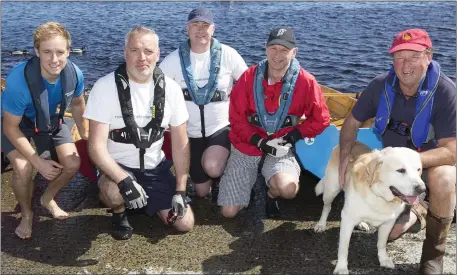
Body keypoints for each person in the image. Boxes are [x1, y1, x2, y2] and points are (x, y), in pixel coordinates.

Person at [339, 29, 456, 274]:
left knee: (445, 178)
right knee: (390, 232)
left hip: (429, 163)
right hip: (395, 169)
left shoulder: (445, 92)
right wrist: (343, 158)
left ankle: (433, 255)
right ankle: (419, 206)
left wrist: (409, 161)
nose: (405, 66)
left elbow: (452, 151)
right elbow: (351, 122)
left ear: (429, 56)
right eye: (399, 58)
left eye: (413, 57)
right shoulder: (380, 86)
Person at [84, 26, 194, 240]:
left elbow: (181, 144)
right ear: (125, 53)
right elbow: (96, 147)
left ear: (158, 54)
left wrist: (180, 190)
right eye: (134, 51)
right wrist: (124, 180)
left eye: (148, 51)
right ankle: (119, 211)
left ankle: (147, 201)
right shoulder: (104, 87)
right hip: (118, 168)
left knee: (184, 223)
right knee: (113, 192)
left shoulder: (171, 89)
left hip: (155, 169)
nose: (142, 58)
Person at [218, 27, 330, 218]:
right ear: (265, 48)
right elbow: (236, 119)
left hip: (282, 144)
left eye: (284, 50)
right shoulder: (248, 77)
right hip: (248, 144)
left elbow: (321, 119)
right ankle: (248, 185)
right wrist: (259, 142)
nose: (277, 55)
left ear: (294, 52)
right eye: (273, 48)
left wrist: (293, 136)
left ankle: (270, 194)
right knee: (228, 213)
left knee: (287, 189)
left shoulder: (307, 81)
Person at [1, 21, 87, 239]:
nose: (54, 59)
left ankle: (47, 198)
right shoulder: (18, 81)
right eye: (47, 52)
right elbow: (10, 127)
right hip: (16, 123)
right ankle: (27, 215)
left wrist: (86, 135)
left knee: (73, 163)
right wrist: (37, 161)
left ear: (69, 51)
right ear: (37, 51)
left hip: (48, 119)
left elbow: (77, 104)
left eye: (60, 52)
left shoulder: (75, 74)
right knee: (22, 168)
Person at [159, 8, 248, 201]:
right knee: (202, 193)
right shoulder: (173, 60)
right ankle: (210, 174)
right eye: (195, 25)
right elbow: (156, 92)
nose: (200, 30)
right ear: (187, 29)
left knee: (213, 168)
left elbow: (249, 86)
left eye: (205, 25)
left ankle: (232, 170)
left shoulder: (229, 54)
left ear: (213, 29)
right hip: (190, 133)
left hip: (220, 128)